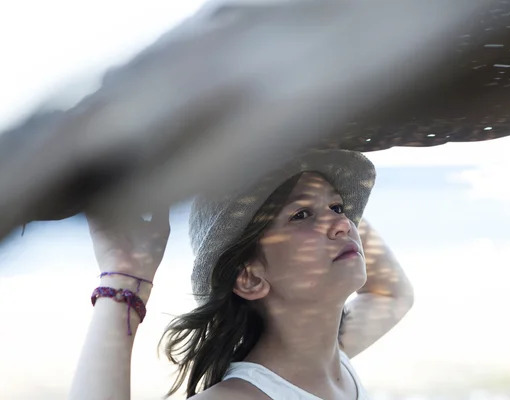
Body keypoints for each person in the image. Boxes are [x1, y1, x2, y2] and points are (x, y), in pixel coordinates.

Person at [69, 149, 414, 400]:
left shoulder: (329, 362)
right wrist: (125, 280)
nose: (343, 224)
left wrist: (304, 152)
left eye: (338, 208)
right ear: (250, 278)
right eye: (301, 215)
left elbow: (390, 294)